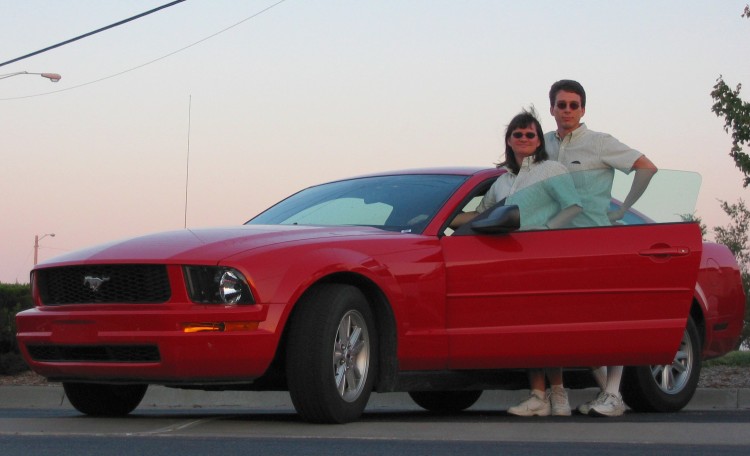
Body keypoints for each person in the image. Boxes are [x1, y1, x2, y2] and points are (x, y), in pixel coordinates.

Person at [451, 109, 582, 417]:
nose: (524, 138)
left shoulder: (551, 169)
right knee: (527, 327)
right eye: (518, 134)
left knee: (548, 325)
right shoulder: (501, 181)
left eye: (530, 134)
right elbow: (481, 214)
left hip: (545, 257)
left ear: (538, 141)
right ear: (508, 140)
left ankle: (560, 394)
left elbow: (573, 206)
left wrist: (547, 232)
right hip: (511, 259)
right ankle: (537, 395)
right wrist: (442, 219)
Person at [544, 79, 658, 417]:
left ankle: (612, 392)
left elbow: (646, 166)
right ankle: (608, 394)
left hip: (595, 243)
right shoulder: (543, 144)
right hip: (552, 245)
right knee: (573, 321)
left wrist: (622, 210)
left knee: (606, 317)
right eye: (561, 104)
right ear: (551, 108)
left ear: (583, 109)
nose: (567, 111)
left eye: (573, 105)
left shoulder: (599, 143)